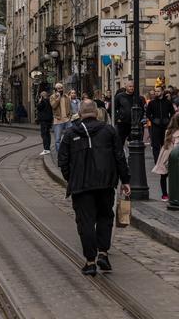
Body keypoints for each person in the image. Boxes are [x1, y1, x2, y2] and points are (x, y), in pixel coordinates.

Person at [58, 100, 130, 276]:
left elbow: (63, 161)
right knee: (105, 217)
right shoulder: (109, 131)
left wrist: (71, 177)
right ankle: (103, 253)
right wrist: (125, 180)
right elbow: (120, 156)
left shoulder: (69, 133)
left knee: (86, 222)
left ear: (80, 113)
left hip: (81, 186)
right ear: (96, 113)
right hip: (105, 183)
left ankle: (90, 261)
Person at [145, 86, 175, 188]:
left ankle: (164, 161)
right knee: (156, 145)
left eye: (158, 91)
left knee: (165, 144)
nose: (156, 93)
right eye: (155, 91)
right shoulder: (152, 103)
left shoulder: (167, 102)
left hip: (165, 126)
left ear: (162, 91)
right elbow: (148, 113)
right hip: (156, 126)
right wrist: (154, 120)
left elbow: (173, 113)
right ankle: (157, 162)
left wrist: (169, 120)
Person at [151, 115, 179, 201]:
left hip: (164, 153)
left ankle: (164, 194)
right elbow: (177, 146)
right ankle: (174, 193)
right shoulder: (178, 133)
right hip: (172, 155)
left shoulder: (168, 131)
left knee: (163, 175)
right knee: (174, 175)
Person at [50, 83, 71, 151]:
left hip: (67, 120)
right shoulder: (52, 97)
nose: (60, 89)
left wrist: (69, 116)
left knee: (70, 137)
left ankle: (68, 153)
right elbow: (53, 106)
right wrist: (58, 98)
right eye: (58, 88)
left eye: (61, 88)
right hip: (58, 120)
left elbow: (69, 107)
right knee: (57, 140)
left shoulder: (66, 97)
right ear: (56, 89)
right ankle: (59, 155)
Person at [36, 91, 53, 156]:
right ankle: (48, 148)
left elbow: (38, 107)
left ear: (42, 96)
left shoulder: (43, 101)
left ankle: (46, 149)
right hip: (49, 119)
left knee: (44, 134)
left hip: (44, 120)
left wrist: (40, 101)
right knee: (47, 134)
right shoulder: (49, 101)